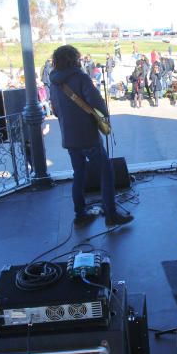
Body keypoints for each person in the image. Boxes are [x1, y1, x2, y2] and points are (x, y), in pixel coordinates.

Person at [49, 45, 133, 227]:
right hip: (87, 135)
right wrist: (104, 118)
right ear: (75, 59)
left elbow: (55, 111)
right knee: (106, 173)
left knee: (79, 173)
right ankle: (111, 215)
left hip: (69, 137)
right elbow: (97, 104)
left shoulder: (53, 81)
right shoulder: (80, 78)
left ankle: (80, 214)